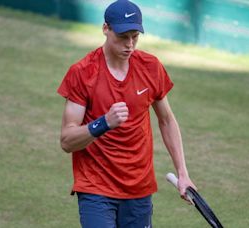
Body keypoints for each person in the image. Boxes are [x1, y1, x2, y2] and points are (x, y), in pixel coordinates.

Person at [57, 0, 196, 227]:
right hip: (96, 187)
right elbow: (66, 141)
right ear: (105, 29)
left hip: (139, 189)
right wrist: (103, 123)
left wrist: (183, 174)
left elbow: (167, 120)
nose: (130, 45)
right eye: (123, 36)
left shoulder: (151, 67)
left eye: (135, 37)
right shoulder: (82, 73)